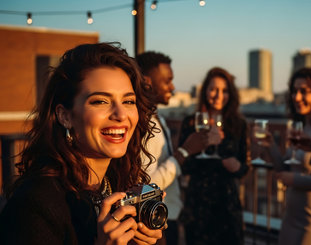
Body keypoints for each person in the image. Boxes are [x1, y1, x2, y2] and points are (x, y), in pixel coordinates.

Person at [0, 43, 164, 244]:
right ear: (65, 116)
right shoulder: (34, 205)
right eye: (100, 101)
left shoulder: (119, 186)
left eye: (128, 101)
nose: (121, 115)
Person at [259, 68, 311, 245]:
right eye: (294, 91)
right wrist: (270, 145)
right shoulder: (303, 125)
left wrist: (294, 179)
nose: (296, 97)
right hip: (290, 219)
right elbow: (284, 169)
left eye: (304, 91)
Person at [135, 51, 207, 245]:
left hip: (167, 215)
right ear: (147, 81)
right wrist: (184, 152)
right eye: (167, 81)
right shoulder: (142, 125)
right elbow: (146, 186)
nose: (173, 87)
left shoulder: (158, 117)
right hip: (155, 221)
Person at [178, 67, 249, 245]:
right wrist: (203, 145)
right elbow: (183, 165)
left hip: (227, 204)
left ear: (231, 94)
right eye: (213, 89)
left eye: (224, 90)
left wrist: (236, 165)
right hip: (198, 205)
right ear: (205, 92)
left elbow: (244, 167)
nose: (218, 95)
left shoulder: (238, 125)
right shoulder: (191, 122)